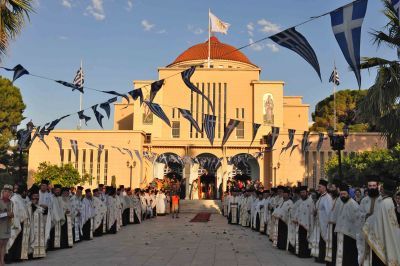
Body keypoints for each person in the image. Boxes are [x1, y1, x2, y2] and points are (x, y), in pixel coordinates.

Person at [362, 176, 400, 266]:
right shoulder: (391, 202)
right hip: (392, 236)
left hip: (382, 237)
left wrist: (366, 224)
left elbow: (375, 220)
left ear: (383, 190)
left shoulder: (383, 203)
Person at [334, 183, 362, 266]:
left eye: (344, 194)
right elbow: (339, 218)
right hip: (341, 233)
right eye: (341, 194)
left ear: (348, 194)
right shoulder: (342, 203)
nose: (342, 196)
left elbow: (358, 220)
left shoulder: (353, 204)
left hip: (350, 235)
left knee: (349, 254)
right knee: (342, 254)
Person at [310, 179, 332, 263]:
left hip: (324, 224)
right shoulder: (321, 197)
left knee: (322, 242)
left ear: (325, 187)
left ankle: (322, 258)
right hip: (318, 223)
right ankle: (317, 256)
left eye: (319, 187)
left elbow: (329, 212)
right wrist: (315, 211)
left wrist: (318, 212)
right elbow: (319, 209)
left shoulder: (327, 198)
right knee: (318, 240)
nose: (318, 188)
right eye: (318, 187)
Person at [6, 184, 29, 262]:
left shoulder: (19, 198)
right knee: (13, 240)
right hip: (16, 222)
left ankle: (16, 257)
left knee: (18, 241)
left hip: (20, 222)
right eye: (25, 192)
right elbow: (16, 212)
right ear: (23, 191)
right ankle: (9, 258)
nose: (26, 194)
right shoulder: (15, 199)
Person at [325, 180, 343, 265]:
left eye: (333, 187)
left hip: (336, 226)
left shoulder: (340, 199)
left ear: (338, 189)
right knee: (330, 245)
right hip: (330, 225)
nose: (331, 189)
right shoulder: (333, 198)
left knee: (335, 246)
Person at [26, 185, 46, 259]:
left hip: (39, 227)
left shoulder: (38, 206)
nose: (36, 198)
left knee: (39, 237)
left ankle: (39, 253)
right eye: (34, 196)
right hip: (32, 226)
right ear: (31, 196)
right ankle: (31, 253)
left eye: (37, 196)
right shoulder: (28, 205)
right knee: (32, 238)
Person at [294, 186, 313, 258]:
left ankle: (306, 254)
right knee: (301, 239)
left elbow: (311, 214)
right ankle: (301, 253)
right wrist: (296, 218)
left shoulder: (310, 202)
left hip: (307, 224)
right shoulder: (301, 202)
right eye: (301, 193)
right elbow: (298, 211)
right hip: (300, 223)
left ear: (307, 193)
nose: (302, 194)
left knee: (306, 240)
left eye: (303, 192)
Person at [47, 184, 65, 250]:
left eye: (59, 191)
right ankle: (52, 246)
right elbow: (50, 207)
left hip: (59, 217)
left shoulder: (60, 198)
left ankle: (57, 245)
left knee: (58, 232)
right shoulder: (51, 197)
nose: (58, 192)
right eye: (57, 190)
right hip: (53, 218)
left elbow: (62, 208)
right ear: (54, 190)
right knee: (52, 232)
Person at [0, 185, 13, 266]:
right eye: (6, 191)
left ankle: (2, 261)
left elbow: (11, 213)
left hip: (7, 225)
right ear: (3, 192)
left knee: (4, 244)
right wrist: (6, 214)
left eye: (9, 192)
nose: (7, 193)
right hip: (0, 225)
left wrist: (12, 214)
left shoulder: (11, 203)